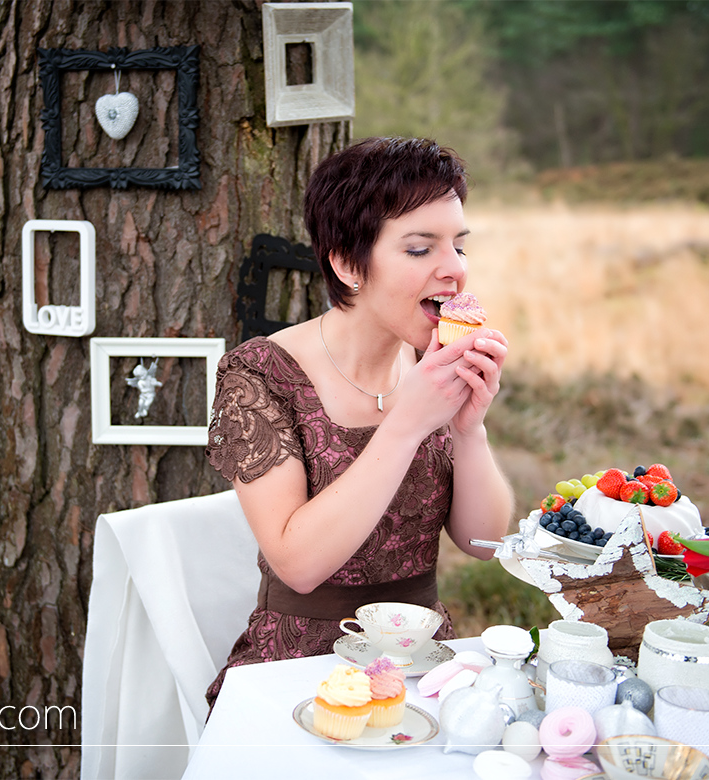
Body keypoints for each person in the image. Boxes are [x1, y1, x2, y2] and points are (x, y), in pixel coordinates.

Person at [204, 137, 513, 707]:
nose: (454, 272)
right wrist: (405, 426)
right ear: (347, 264)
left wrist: (470, 429)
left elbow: (485, 542)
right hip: (297, 665)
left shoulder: (430, 363)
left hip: (422, 664)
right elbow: (297, 564)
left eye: (459, 246)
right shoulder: (259, 374)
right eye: (421, 249)